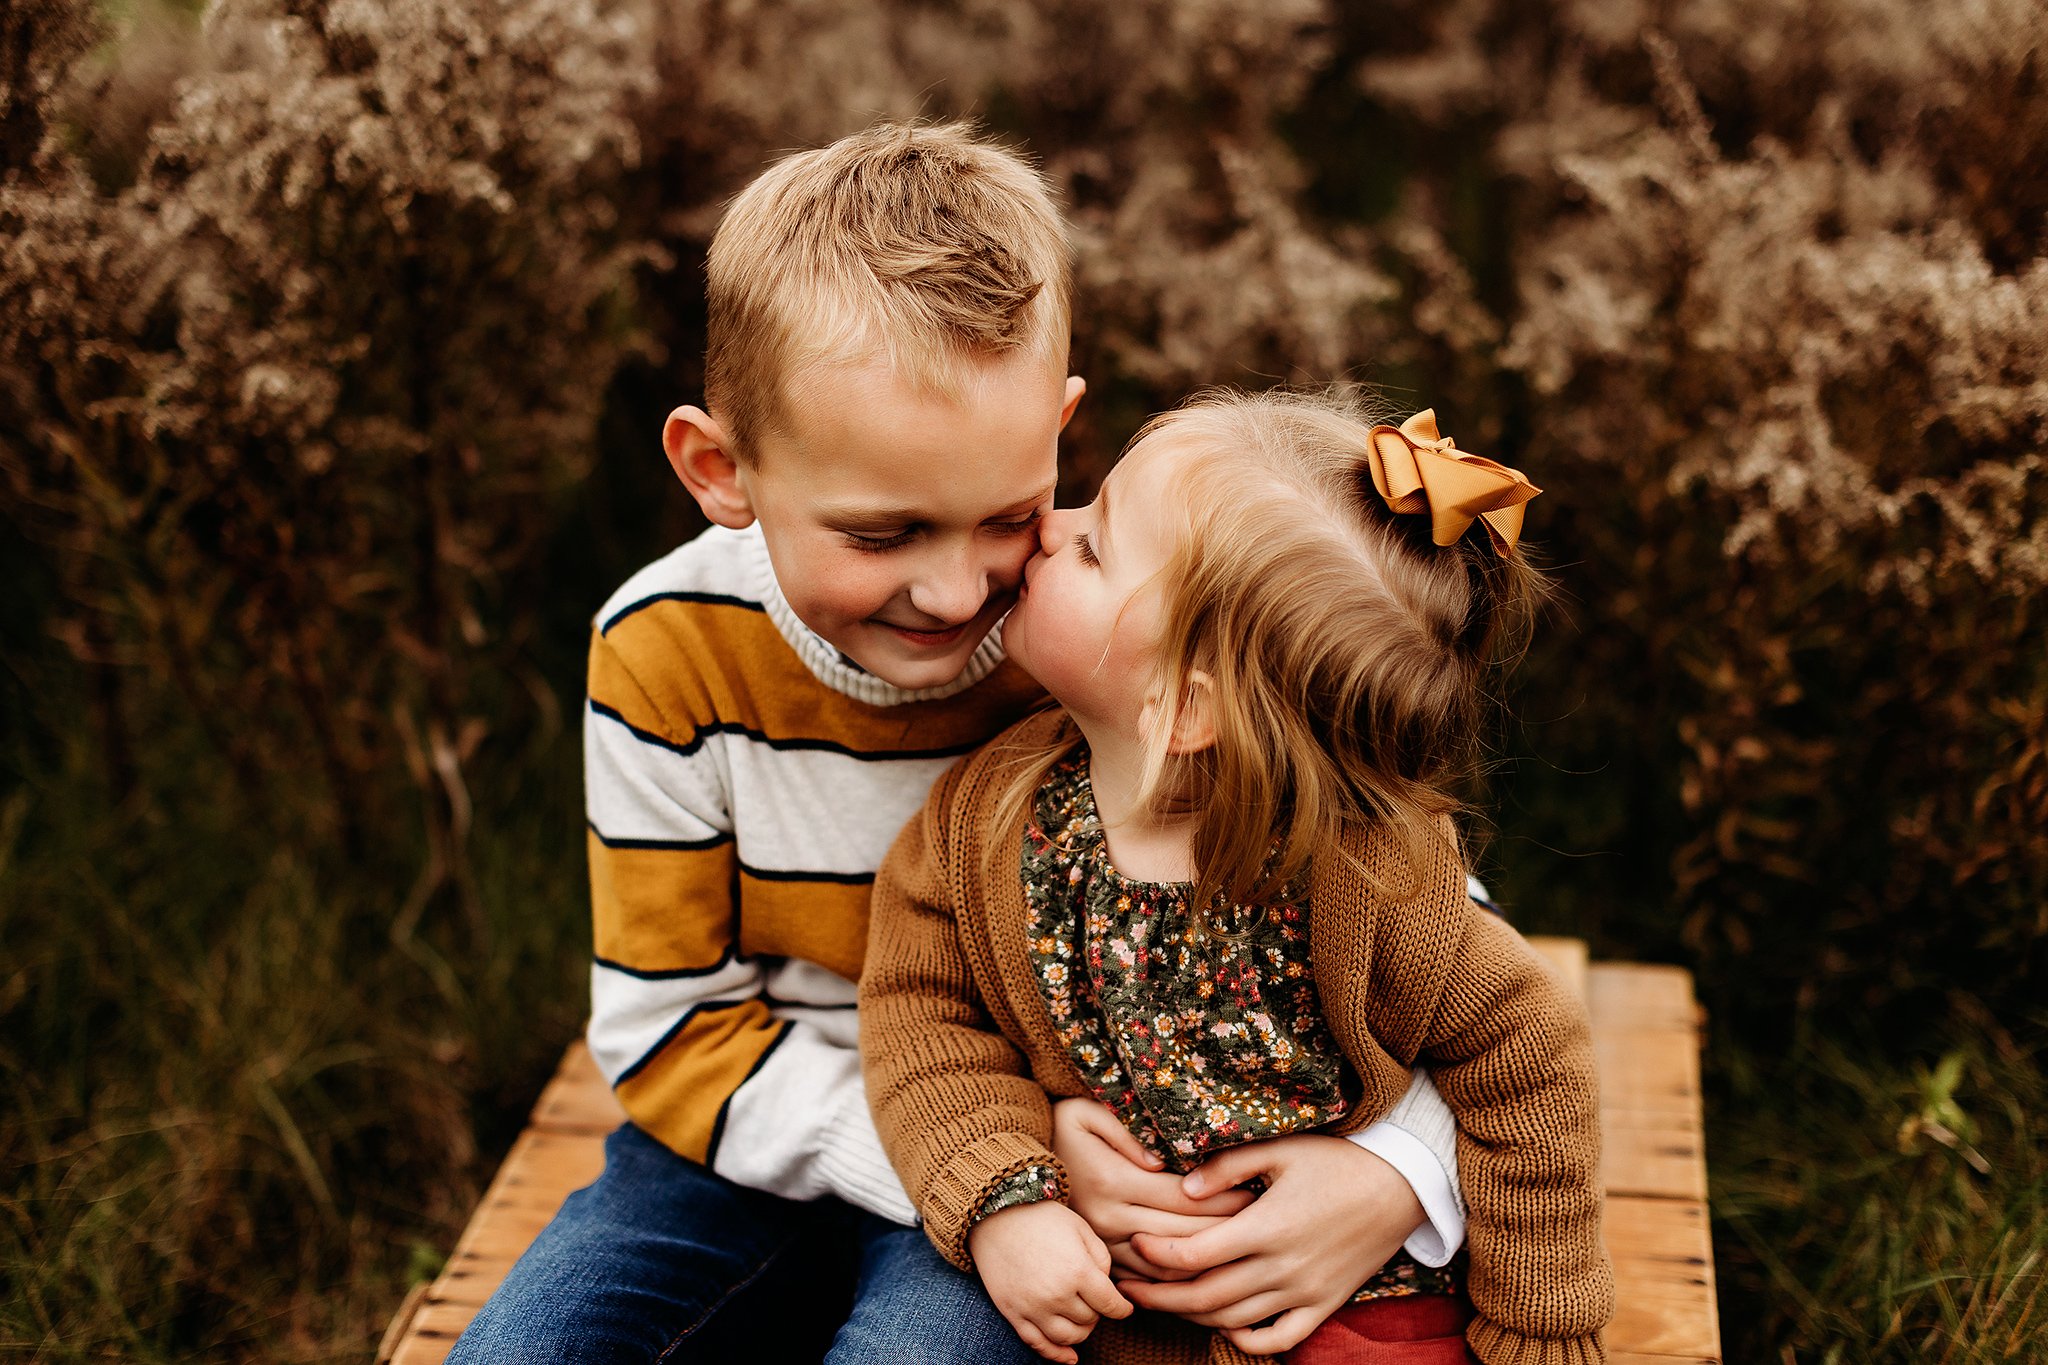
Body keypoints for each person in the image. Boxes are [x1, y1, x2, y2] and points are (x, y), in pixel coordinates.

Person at [451, 124, 1466, 1363]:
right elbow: (668, 1030)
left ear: (1057, 429)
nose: (953, 594)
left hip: (1054, 1168)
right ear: (722, 470)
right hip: (769, 1150)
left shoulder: (1097, 649)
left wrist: (1400, 1172)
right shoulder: (663, 652)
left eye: (1007, 513)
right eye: (881, 536)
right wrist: (996, 1176)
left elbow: (1433, 933)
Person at [860, 390, 1614, 1365]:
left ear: (1180, 707)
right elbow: (919, 1015)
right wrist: (1004, 1188)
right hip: (1124, 1324)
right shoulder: (991, 820)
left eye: (1093, 548)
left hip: (1351, 1309)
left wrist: (1539, 1336)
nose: (1050, 525)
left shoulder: (1363, 877)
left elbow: (1531, 1067)